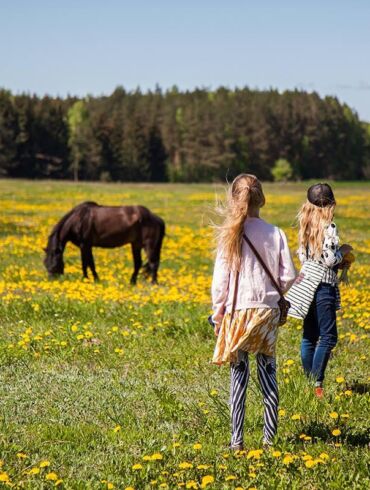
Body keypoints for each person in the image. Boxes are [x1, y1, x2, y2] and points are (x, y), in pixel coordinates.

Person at [211, 174, 296, 450]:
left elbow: (220, 282)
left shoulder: (232, 233)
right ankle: (269, 440)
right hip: (267, 312)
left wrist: (218, 315)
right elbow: (288, 277)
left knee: (239, 376)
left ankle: (237, 441)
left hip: (238, 311)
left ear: (235, 199)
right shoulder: (276, 233)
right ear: (262, 198)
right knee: (268, 373)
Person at [286, 183, 353, 398]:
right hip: (323, 286)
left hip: (306, 285)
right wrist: (343, 252)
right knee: (328, 337)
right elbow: (331, 259)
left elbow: (303, 257)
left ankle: (308, 384)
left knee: (309, 336)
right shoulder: (329, 227)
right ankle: (316, 384)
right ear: (331, 204)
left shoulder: (305, 225)